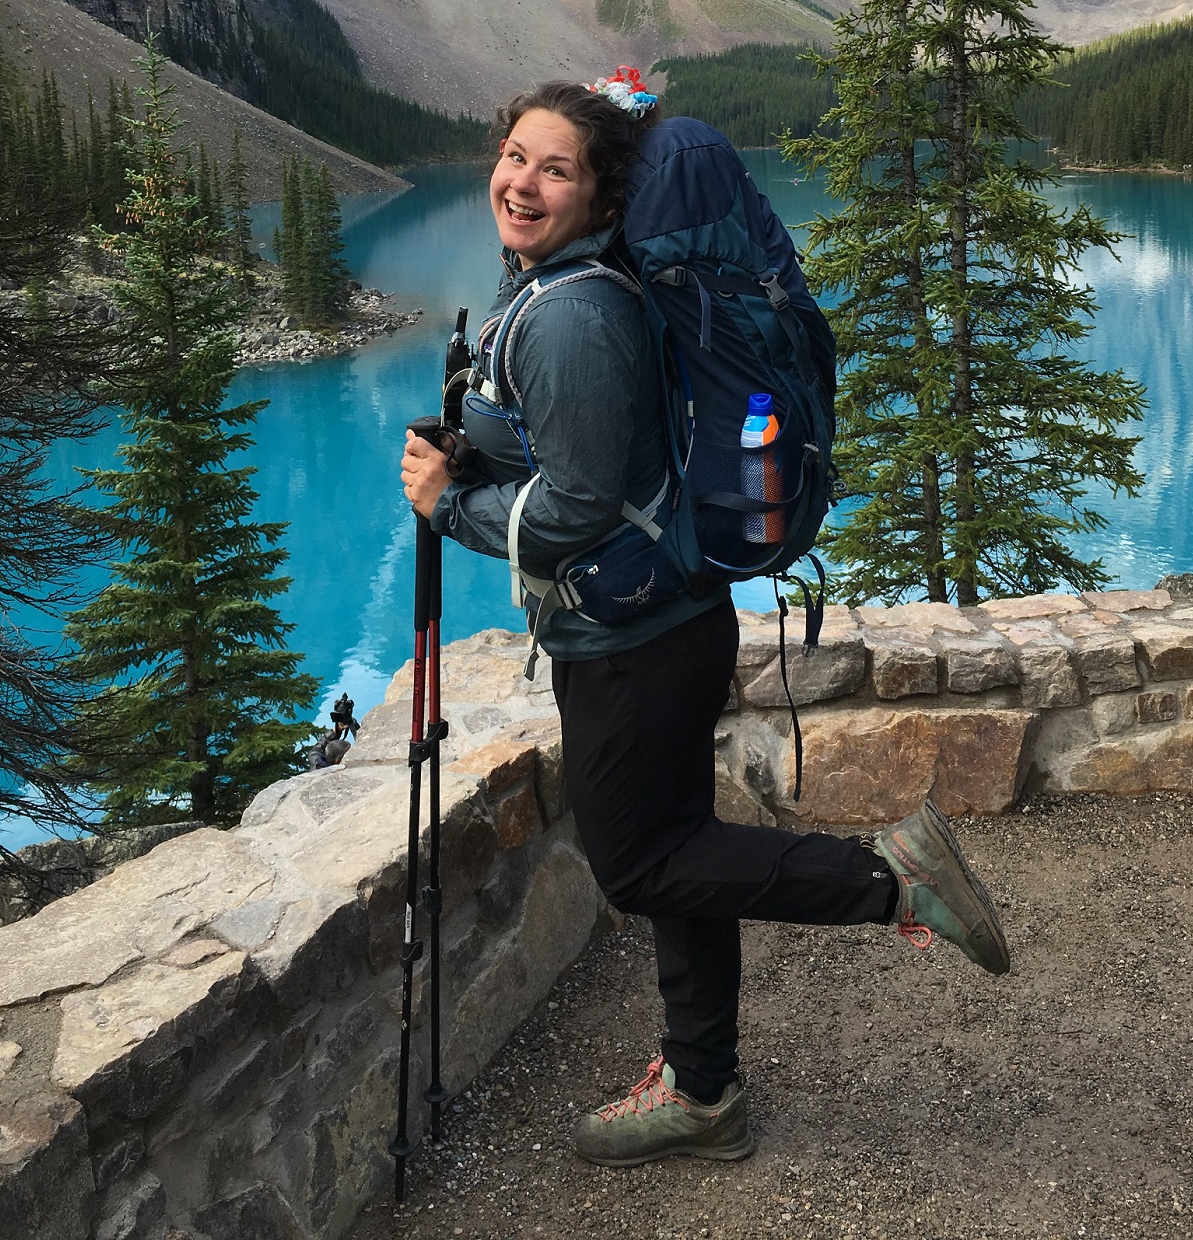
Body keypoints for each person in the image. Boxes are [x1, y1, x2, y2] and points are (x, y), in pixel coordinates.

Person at [400, 78, 1009, 1168]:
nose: (521, 182)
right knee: (682, 847)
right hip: (662, 617)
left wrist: (452, 506)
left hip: (630, 641)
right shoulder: (570, 287)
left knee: (637, 866)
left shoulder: (574, 314)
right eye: (512, 157)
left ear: (600, 195)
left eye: (555, 168)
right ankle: (702, 1085)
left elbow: (581, 505)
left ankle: (889, 879)